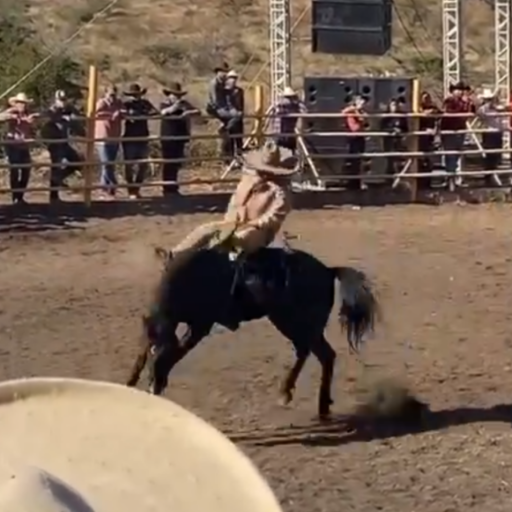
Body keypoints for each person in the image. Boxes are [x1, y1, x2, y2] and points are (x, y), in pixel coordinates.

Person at [167, 141, 297, 304]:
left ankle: (226, 282)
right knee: (206, 229)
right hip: (235, 222)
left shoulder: (281, 192)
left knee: (240, 238)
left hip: (259, 231)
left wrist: (253, 224)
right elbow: (234, 203)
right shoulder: (247, 182)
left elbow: (274, 216)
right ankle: (175, 255)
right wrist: (231, 220)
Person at [41, 89, 84, 202]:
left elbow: (77, 117)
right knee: (57, 165)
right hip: (54, 142)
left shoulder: (69, 109)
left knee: (77, 161)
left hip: (63, 141)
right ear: (56, 100)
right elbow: (47, 117)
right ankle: (54, 195)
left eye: (64, 100)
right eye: (61, 100)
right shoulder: (52, 110)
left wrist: (76, 117)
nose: (63, 102)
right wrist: (62, 118)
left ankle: (59, 178)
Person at [159, 82, 200, 196]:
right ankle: (167, 188)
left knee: (176, 162)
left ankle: (173, 186)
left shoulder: (184, 104)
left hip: (180, 136)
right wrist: (175, 107)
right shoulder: (165, 103)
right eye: (175, 95)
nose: (177, 97)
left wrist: (188, 112)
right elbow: (163, 112)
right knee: (168, 162)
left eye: (178, 95)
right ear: (170, 95)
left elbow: (198, 111)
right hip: (168, 136)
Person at [0, 92, 39, 204]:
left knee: (26, 170)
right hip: (13, 145)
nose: (22, 105)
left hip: (24, 145)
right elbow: (1, 117)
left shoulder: (28, 114)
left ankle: (20, 196)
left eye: (24, 103)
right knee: (15, 170)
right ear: (15, 103)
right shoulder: (12, 112)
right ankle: (15, 197)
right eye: (20, 103)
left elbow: (32, 128)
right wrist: (12, 115)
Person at [122, 83, 157, 199]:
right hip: (130, 137)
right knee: (129, 166)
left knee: (143, 165)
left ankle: (136, 188)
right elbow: (122, 114)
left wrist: (143, 114)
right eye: (133, 95)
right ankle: (131, 190)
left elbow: (155, 112)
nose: (135, 97)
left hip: (143, 137)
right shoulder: (126, 104)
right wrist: (130, 116)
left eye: (136, 94)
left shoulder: (145, 103)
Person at [94, 85, 124, 199]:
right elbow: (94, 113)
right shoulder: (101, 103)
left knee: (109, 164)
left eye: (114, 94)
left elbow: (125, 112)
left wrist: (120, 112)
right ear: (105, 93)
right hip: (102, 137)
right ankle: (112, 185)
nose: (113, 97)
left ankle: (105, 189)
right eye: (111, 94)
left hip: (115, 136)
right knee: (106, 163)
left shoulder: (118, 103)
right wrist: (111, 115)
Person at [379, 98, 408, 176]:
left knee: (399, 160)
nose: (394, 107)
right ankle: (389, 178)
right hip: (389, 141)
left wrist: (400, 131)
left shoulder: (401, 116)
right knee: (390, 160)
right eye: (392, 105)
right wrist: (392, 130)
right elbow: (382, 128)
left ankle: (399, 178)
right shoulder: (386, 116)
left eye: (396, 105)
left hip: (398, 140)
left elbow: (406, 128)